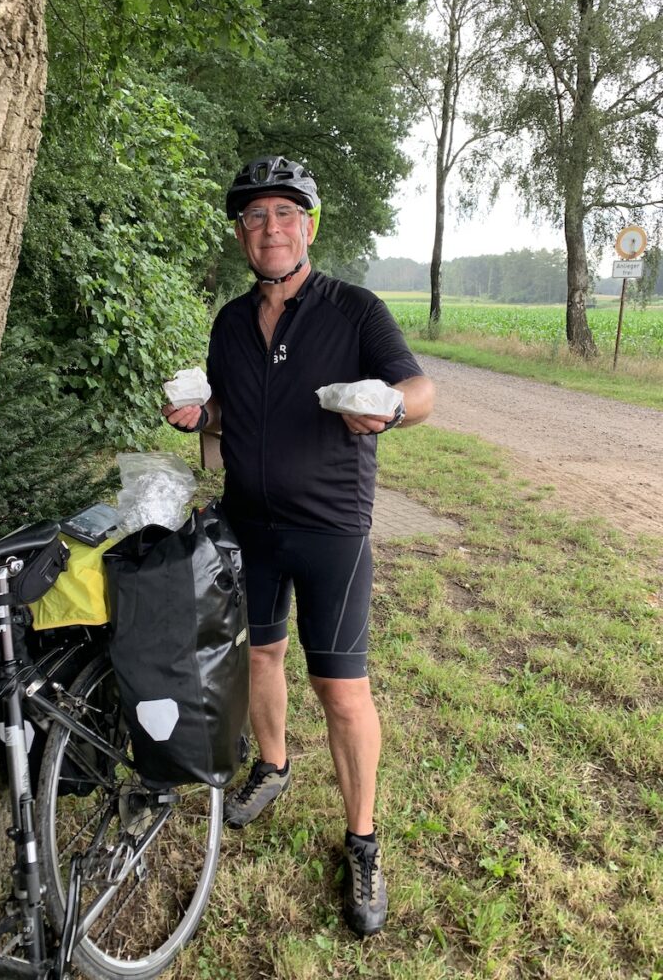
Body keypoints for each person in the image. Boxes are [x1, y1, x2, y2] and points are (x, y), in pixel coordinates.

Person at [163, 155, 434, 937]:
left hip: (330, 528)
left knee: (342, 690)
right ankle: (273, 766)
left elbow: (419, 392)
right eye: (255, 218)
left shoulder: (354, 309)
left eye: (284, 214)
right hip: (248, 524)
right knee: (259, 657)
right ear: (243, 236)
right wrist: (198, 418)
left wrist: (385, 406)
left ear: (308, 227)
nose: (270, 229)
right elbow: (225, 417)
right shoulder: (228, 322)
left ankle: (362, 840)